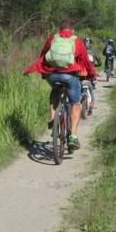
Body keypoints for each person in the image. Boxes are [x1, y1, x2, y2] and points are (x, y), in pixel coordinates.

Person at [24, 19, 97, 151]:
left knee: (55, 90)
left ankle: (52, 116)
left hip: (52, 75)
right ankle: (73, 136)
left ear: (60, 29)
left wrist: (41, 71)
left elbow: (43, 55)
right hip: (70, 76)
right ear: (72, 30)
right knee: (75, 102)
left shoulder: (53, 38)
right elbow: (86, 61)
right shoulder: (77, 41)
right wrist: (91, 74)